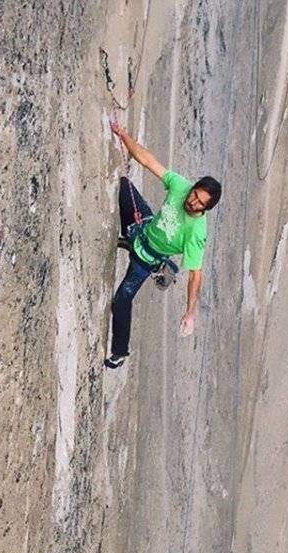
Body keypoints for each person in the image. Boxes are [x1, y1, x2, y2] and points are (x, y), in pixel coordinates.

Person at [105, 119, 221, 369]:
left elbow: (195, 276)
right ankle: (128, 238)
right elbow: (148, 161)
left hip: (146, 259)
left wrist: (190, 314)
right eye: (194, 194)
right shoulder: (181, 186)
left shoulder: (196, 233)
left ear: (206, 209)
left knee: (121, 301)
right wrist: (123, 135)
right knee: (124, 187)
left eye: (200, 203)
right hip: (144, 227)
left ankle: (120, 351)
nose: (192, 202)